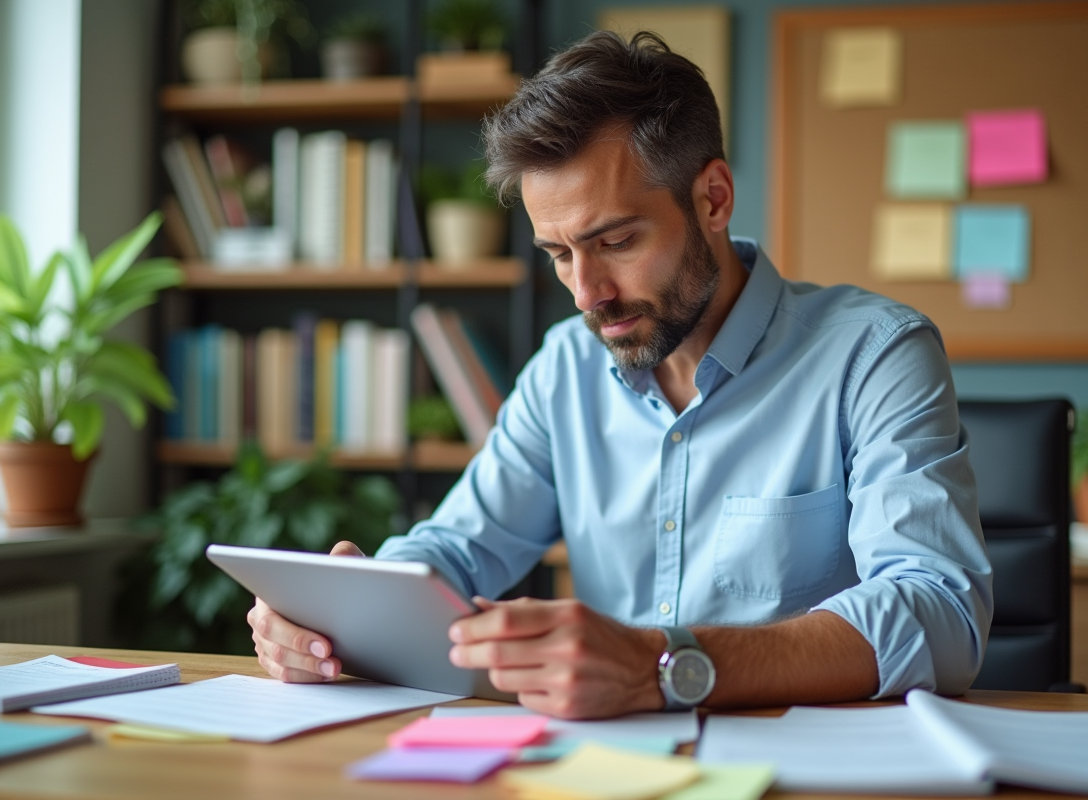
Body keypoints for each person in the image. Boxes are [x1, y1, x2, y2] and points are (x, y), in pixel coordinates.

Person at [248, 31, 993, 719]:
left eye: (615, 241)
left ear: (713, 198)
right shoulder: (563, 370)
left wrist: (663, 664)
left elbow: (941, 614)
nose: (586, 293)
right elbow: (456, 549)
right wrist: (344, 614)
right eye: (559, 254)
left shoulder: (875, 356)